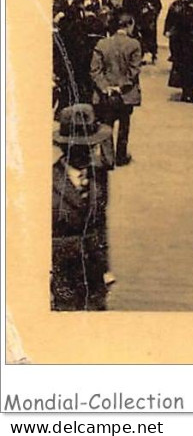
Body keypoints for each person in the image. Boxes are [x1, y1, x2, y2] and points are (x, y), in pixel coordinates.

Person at [51, 104, 114, 311]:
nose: (88, 152)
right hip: (62, 274)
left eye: (90, 146)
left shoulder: (99, 176)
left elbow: (100, 223)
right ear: (66, 147)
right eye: (80, 147)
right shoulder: (49, 180)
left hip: (94, 275)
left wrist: (105, 268)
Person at [91, 12, 141, 167]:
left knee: (106, 124)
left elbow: (95, 70)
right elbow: (134, 71)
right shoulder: (134, 44)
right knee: (124, 125)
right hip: (126, 94)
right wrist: (121, 87)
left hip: (105, 94)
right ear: (129, 25)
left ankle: (108, 158)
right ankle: (121, 156)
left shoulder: (102, 44)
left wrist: (105, 87)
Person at [167, 0, 193, 104]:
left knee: (184, 71)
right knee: (192, 71)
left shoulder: (181, 12)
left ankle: (186, 93)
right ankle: (190, 94)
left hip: (182, 47)